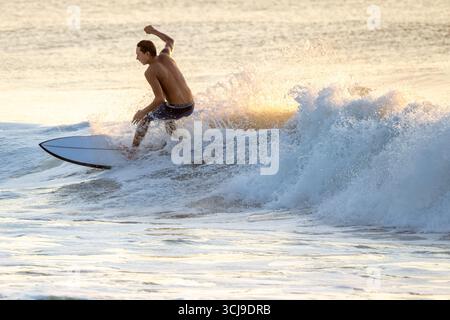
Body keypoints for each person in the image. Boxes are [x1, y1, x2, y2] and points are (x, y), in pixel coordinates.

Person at [132, 25, 194, 148]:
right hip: (191, 105)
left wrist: (142, 112)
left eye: (138, 54)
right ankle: (177, 143)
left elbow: (159, 98)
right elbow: (170, 41)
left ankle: (132, 152)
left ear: (147, 53)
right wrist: (154, 31)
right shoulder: (166, 55)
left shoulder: (150, 71)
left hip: (177, 109)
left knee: (146, 118)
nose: (136, 58)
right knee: (165, 112)